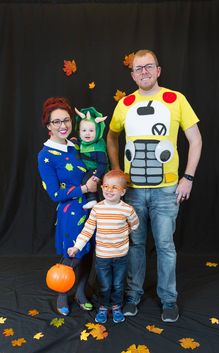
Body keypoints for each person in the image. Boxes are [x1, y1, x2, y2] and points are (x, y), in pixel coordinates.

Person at [107, 49, 202, 322]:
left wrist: (189, 177)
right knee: (135, 244)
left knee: (165, 245)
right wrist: (116, 170)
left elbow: (195, 139)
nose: (144, 72)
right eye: (138, 69)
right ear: (132, 74)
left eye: (149, 67)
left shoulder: (176, 100)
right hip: (133, 190)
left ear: (158, 70)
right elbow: (111, 137)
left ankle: (168, 299)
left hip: (167, 190)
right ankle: (133, 295)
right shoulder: (124, 104)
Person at [38, 97, 97, 316]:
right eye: (56, 122)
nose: (63, 125)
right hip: (70, 213)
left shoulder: (76, 146)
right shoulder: (45, 156)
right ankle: (62, 294)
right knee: (73, 253)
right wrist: (83, 189)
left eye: (66, 120)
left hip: (91, 209)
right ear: (48, 126)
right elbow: (54, 194)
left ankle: (81, 293)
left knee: (88, 254)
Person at [67, 170, 139, 324]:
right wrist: (77, 247)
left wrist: (126, 231)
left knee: (118, 284)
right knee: (105, 285)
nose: (108, 190)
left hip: (120, 256)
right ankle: (103, 307)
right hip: (102, 257)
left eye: (114, 187)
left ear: (123, 192)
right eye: (106, 186)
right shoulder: (97, 209)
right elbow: (87, 230)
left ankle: (116, 306)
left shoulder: (127, 209)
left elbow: (135, 224)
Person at [72, 106, 109, 209]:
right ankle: (76, 194)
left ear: (97, 132)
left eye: (91, 131)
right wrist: (74, 141)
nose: (87, 133)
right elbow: (79, 143)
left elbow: (103, 163)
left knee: (85, 180)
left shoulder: (98, 147)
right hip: (86, 168)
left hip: (97, 170)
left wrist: (97, 175)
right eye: (84, 130)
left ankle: (92, 199)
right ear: (79, 131)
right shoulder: (83, 142)